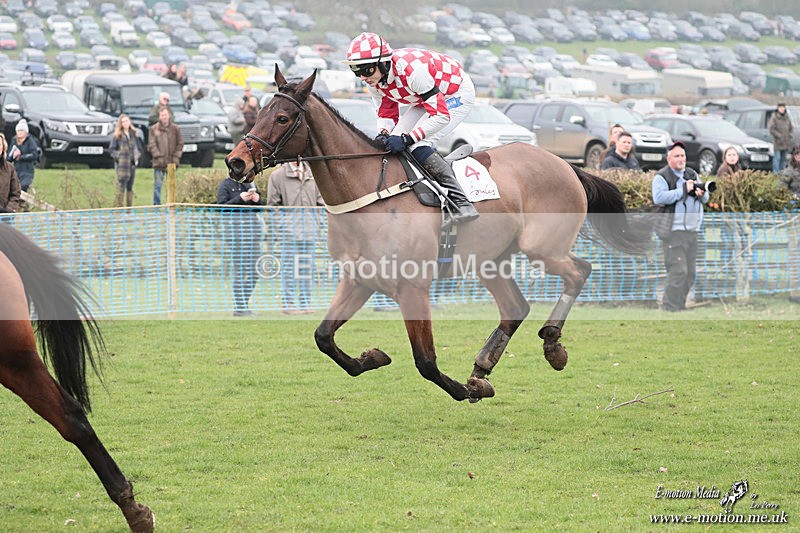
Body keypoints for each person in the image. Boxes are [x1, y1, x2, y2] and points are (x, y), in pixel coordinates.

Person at [343, 31, 478, 223]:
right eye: (357, 71)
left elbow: (440, 116)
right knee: (391, 143)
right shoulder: (375, 80)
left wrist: (408, 139)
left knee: (417, 144)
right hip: (423, 98)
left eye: (366, 70)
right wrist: (384, 134)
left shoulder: (414, 72)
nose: (363, 77)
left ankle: (461, 202)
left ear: (383, 63)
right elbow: (386, 112)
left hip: (454, 94)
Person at [652, 141, 709, 312]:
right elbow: (659, 198)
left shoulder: (692, 174)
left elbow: (705, 199)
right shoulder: (661, 176)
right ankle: (668, 307)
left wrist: (701, 193)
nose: (681, 159)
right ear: (669, 158)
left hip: (692, 231)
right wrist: (683, 190)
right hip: (673, 232)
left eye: (683, 155)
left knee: (690, 273)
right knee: (678, 270)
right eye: (677, 156)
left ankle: (679, 305)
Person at [267, 161, 324, 315]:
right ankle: (288, 304)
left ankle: (305, 303)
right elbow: (273, 206)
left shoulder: (313, 174)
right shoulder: (277, 176)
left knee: (308, 269)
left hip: (310, 231)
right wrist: (282, 228)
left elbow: (321, 203)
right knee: (289, 269)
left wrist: (317, 224)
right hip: (289, 233)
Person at [217, 176, 265, 317]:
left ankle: (244, 303)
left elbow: (259, 209)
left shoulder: (250, 183)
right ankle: (239, 306)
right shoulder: (225, 185)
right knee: (241, 271)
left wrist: (257, 200)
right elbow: (221, 208)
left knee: (255, 271)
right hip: (235, 236)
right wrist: (240, 199)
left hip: (253, 234)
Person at [147, 107, 183, 205]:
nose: (164, 117)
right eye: (162, 115)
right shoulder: (154, 129)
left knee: (171, 185)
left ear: (169, 115)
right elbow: (151, 144)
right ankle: (157, 206)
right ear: (159, 116)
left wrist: (176, 157)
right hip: (159, 163)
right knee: (158, 186)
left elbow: (180, 144)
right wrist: (158, 156)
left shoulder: (176, 129)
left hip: (172, 162)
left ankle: (170, 204)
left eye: (166, 115)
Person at [109, 114, 142, 207]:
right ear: (120, 124)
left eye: (127, 121)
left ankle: (129, 208)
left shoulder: (134, 134)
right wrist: (120, 156)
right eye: (123, 121)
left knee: (130, 186)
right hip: (121, 165)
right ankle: (119, 207)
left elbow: (139, 148)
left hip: (132, 163)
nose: (125, 123)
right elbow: (112, 150)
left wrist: (137, 156)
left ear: (129, 122)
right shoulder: (117, 136)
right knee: (121, 186)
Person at [7, 119, 39, 193]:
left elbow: (34, 155)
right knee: (14, 188)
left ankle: (23, 203)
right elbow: (9, 158)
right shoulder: (14, 141)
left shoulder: (30, 141)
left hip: (27, 170)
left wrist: (21, 157)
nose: (20, 132)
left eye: (22, 130)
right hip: (16, 170)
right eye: (18, 130)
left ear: (26, 132)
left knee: (23, 187)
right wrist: (13, 156)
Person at [768, 102, 794, 174]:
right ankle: (776, 173)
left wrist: (790, 134)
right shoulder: (774, 117)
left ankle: (782, 173)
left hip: (786, 142)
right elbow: (771, 129)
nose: (782, 109)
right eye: (781, 107)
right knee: (777, 158)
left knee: (784, 159)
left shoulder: (787, 117)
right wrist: (779, 136)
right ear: (778, 108)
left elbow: (791, 127)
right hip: (778, 142)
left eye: (783, 107)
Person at [0, 134, 21, 217]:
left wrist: (9, 210)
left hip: (5, 219)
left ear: (3, 147)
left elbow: (15, 193)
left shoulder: (9, 168)